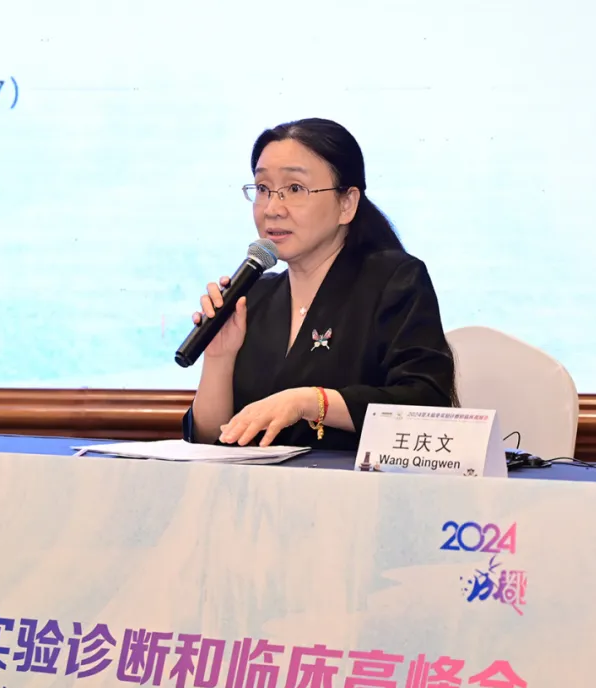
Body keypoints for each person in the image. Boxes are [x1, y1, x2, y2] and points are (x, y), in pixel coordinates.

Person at [182, 118, 457, 450]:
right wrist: (219, 358)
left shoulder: (394, 281)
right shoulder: (253, 296)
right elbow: (212, 437)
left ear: (347, 204)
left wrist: (311, 402)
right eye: (263, 189)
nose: (272, 209)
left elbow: (426, 403)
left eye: (295, 189)